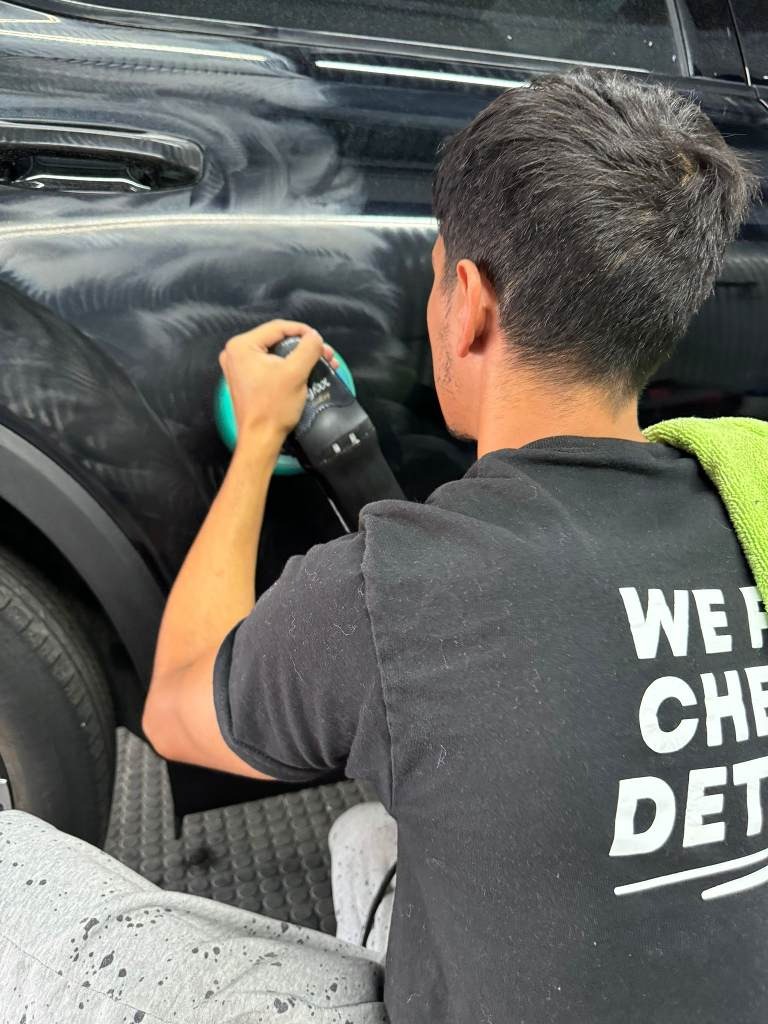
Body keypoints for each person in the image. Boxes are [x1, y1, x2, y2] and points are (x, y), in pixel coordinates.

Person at [0, 68, 762, 1023]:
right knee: (369, 828)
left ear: (471, 304)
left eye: (437, 274)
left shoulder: (400, 589)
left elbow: (176, 708)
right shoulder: (748, 500)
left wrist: (257, 452)